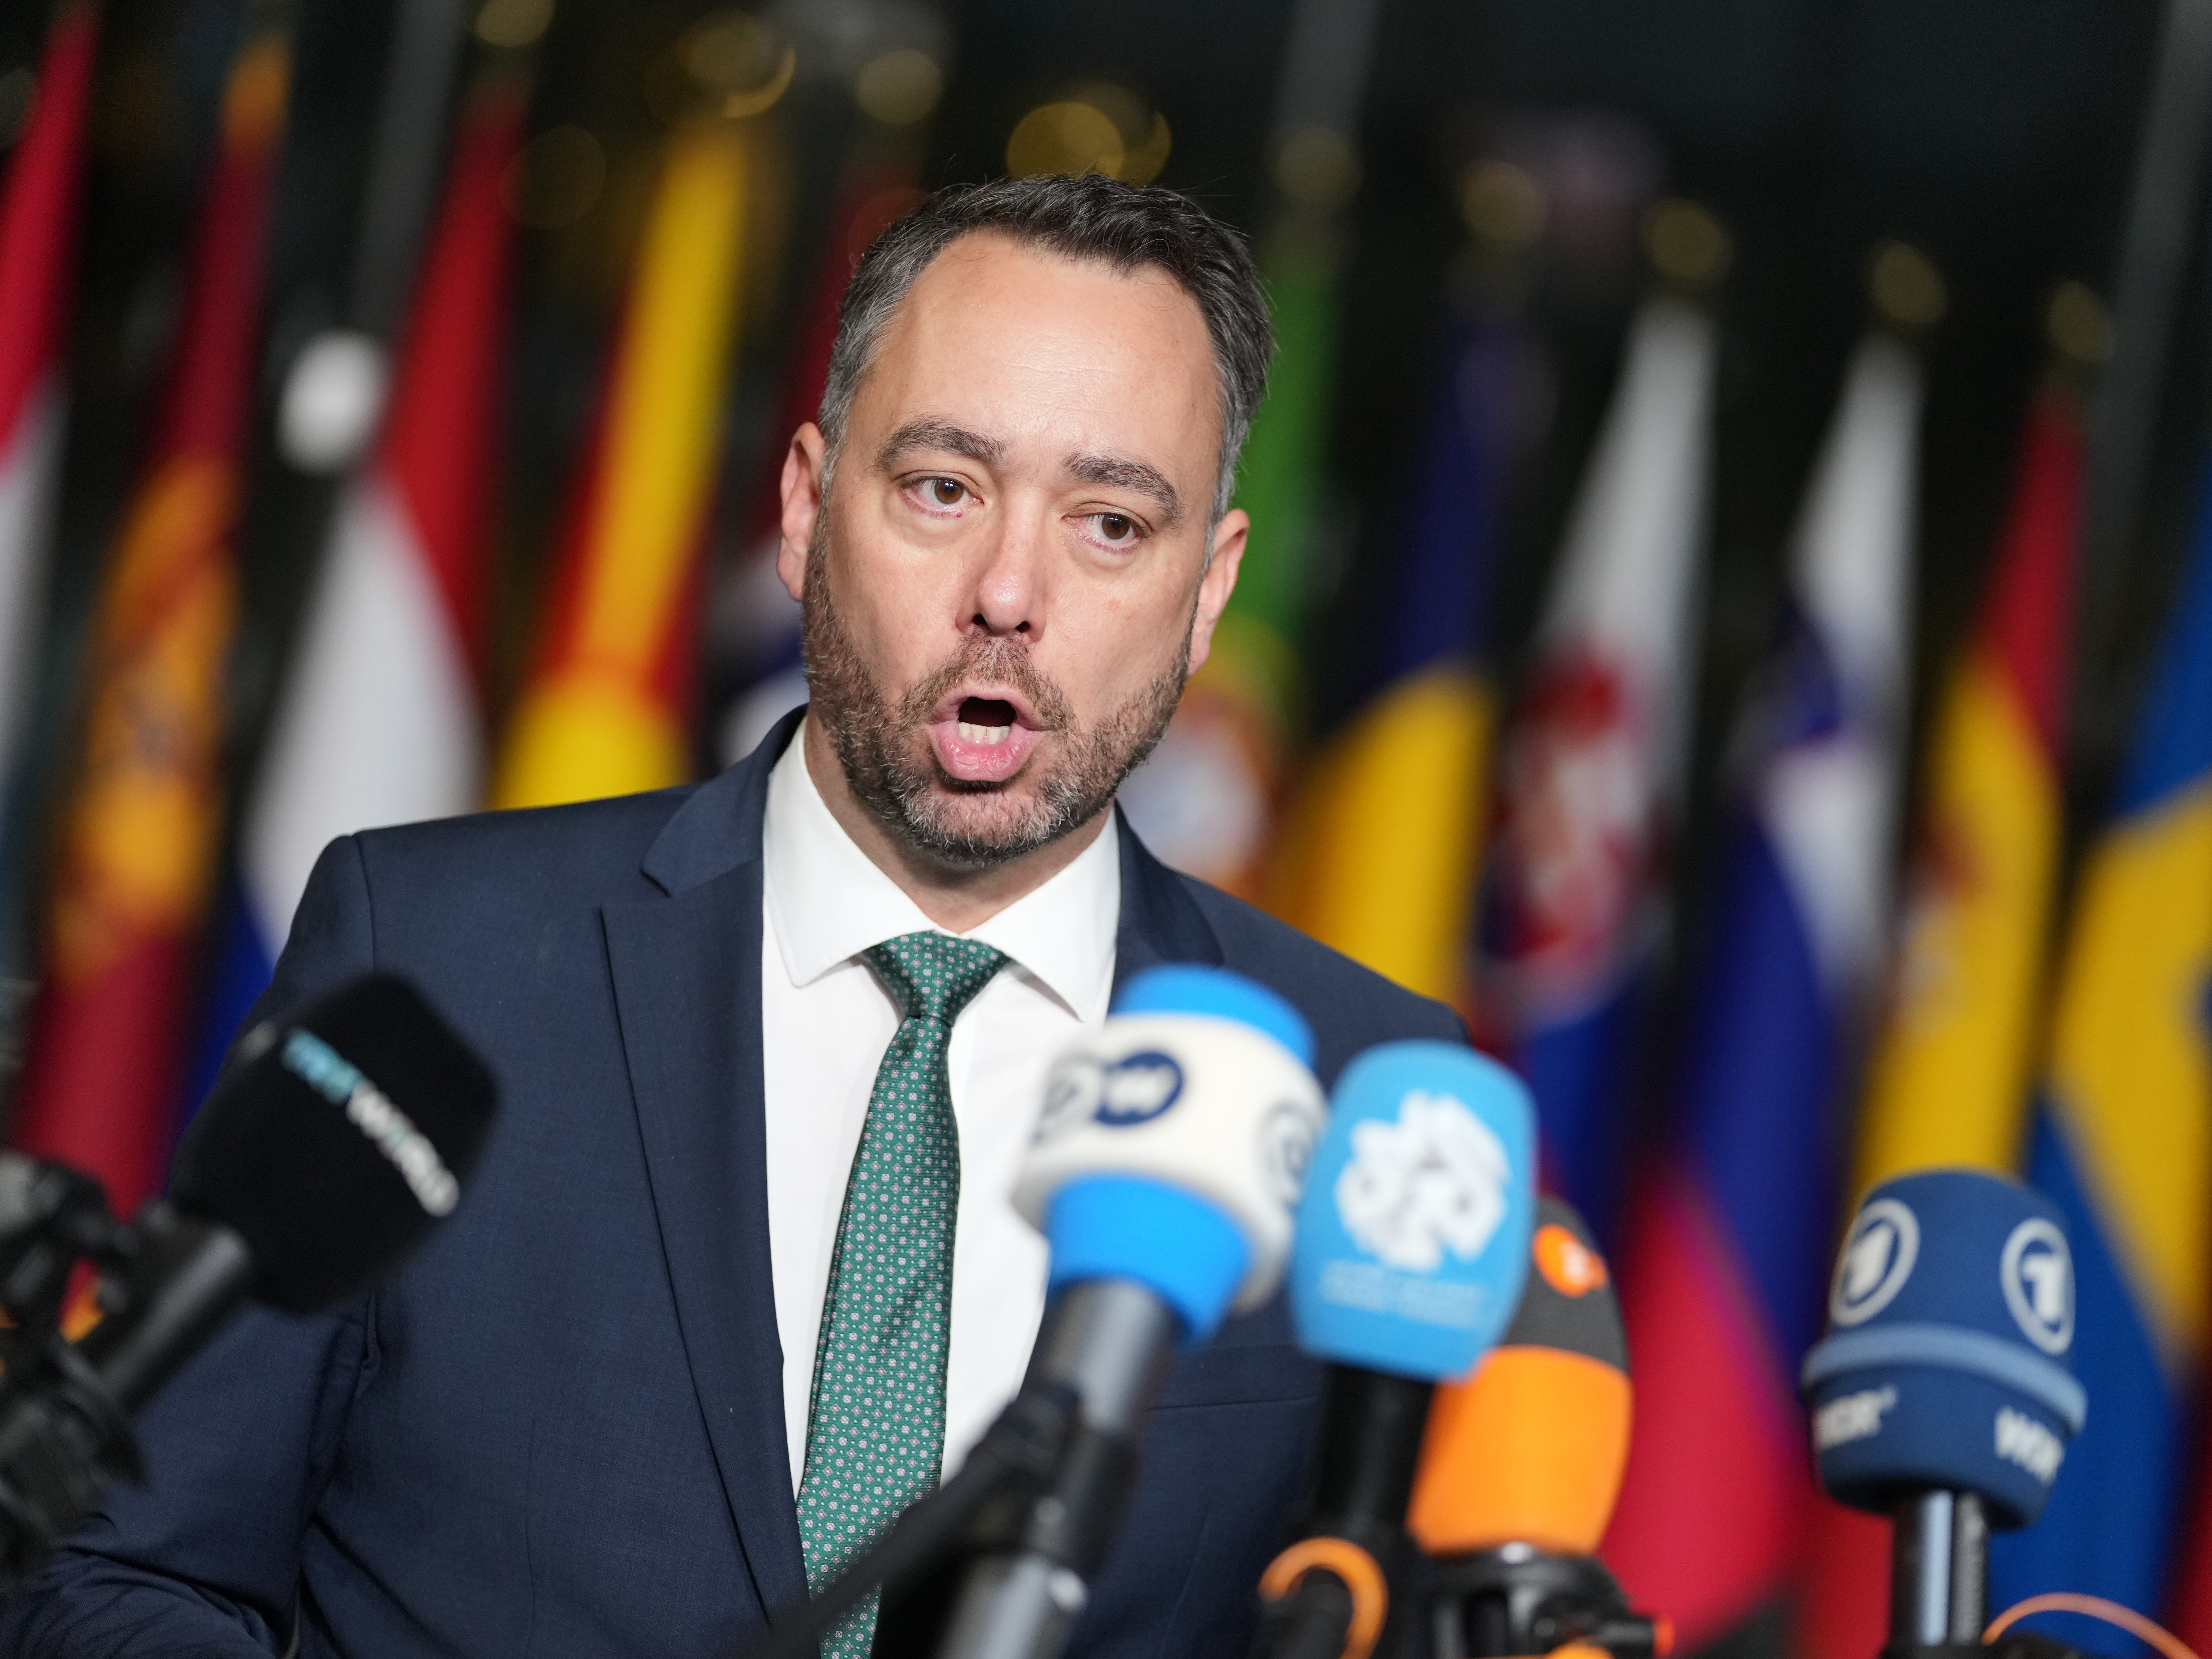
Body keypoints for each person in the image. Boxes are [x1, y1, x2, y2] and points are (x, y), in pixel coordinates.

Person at [0, 174, 1464, 1659]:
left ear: (1208, 588)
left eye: (1109, 522)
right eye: (942, 488)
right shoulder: (434, 952)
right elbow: (110, 1578)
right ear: (804, 506)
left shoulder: (1359, 1088)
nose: (1009, 594)